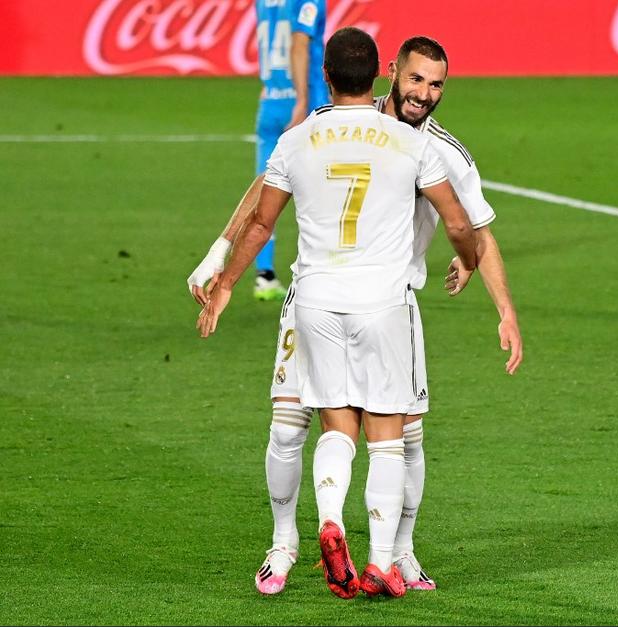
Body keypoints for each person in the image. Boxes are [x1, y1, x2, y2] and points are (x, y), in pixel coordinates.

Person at [188, 36, 523, 595]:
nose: (423, 94)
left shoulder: (436, 148)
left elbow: (478, 229)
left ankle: (398, 552)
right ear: (389, 74)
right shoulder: (379, 137)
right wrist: (218, 254)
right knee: (299, 424)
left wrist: (504, 308)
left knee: (385, 434)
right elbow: (464, 230)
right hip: (365, 303)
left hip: (349, 297)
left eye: (435, 84)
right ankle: (289, 545)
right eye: (415, 80)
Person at [252, 0, 329, 301]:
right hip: (304, 106)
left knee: (264, 192)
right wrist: (301, 98)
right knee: (324, 192)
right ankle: (322, 273)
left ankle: (264, 274)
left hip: (270, 101)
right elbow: (299, 42)